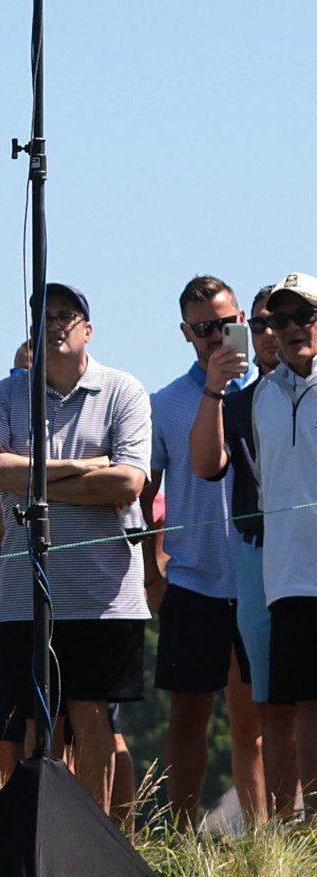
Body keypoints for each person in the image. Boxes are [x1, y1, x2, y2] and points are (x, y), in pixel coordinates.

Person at [0, 284, 151, 813]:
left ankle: (94, 839)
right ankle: (46, 834)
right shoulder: (7, 395)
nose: (55, 325)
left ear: (88, 330)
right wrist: (82, 467)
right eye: (44, 317)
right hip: (26, 593)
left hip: (103, 592)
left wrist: (28, 482)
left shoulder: (123, 390)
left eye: (66, 316)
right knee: (37, 718)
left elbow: (127, 484)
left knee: (92, 712)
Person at [145, 275, 264, 828]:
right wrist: (152, 570)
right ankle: (177, 836)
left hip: (258, 574)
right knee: (187, 717)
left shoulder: (269, 393)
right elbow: (144, 495)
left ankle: (265, 841)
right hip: (192, 579)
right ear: (185, 332)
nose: (216, 337)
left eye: (225, 323)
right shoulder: (165, 402)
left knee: (254, 721)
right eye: (203, 327)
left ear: (242, 320)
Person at [189, 284, 298, 819]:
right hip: (258, 556)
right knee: (271, 703)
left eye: (286, 319)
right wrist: (213, 389)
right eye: (260, 323)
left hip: (307, 554)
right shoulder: (240, 400)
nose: (272, 331)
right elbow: (206, 466)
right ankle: (283, 837)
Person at [252, 272, 317, 808]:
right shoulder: (262, 397)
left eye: (305, 317)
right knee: (306, 703)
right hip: (288, 576)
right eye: (280, 319)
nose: (293, 328)